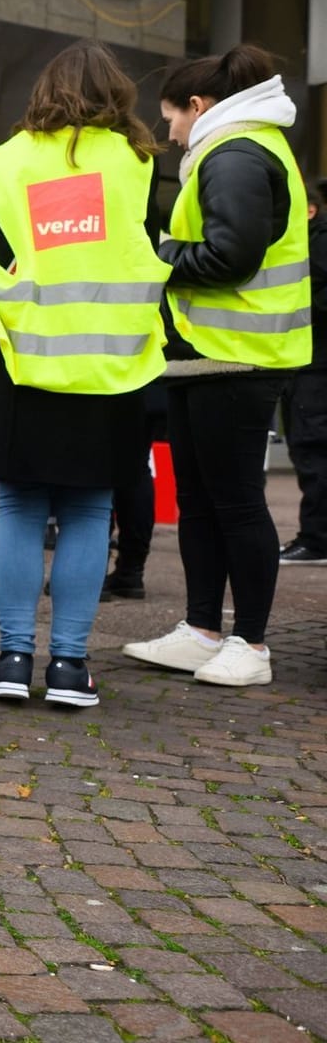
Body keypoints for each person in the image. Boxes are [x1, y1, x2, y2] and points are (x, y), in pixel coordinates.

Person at [0, 40, 170, 709]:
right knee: (90, 508)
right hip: (111, 366)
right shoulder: (140, 164)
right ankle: (67, 666)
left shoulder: (0, 165)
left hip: (23, 363)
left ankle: (12, 657)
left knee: (20, 507)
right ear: (118, 96)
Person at [123, 45, 310, 687]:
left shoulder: (232, 154)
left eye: (171, 117)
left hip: (236, 359)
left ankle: (250, 644)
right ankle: (203, 630)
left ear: (199, 107)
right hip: (210, 360)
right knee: (204, 501)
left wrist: (157, 256)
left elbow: (231, 257)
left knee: (232, 502)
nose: (169, 133)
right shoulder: (236, 150)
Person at [279, 179, 327, 565]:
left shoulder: (317, 244)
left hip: (315, 365)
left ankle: (316, 540)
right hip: (309, 362)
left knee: (311, 448)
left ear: (309, 210)